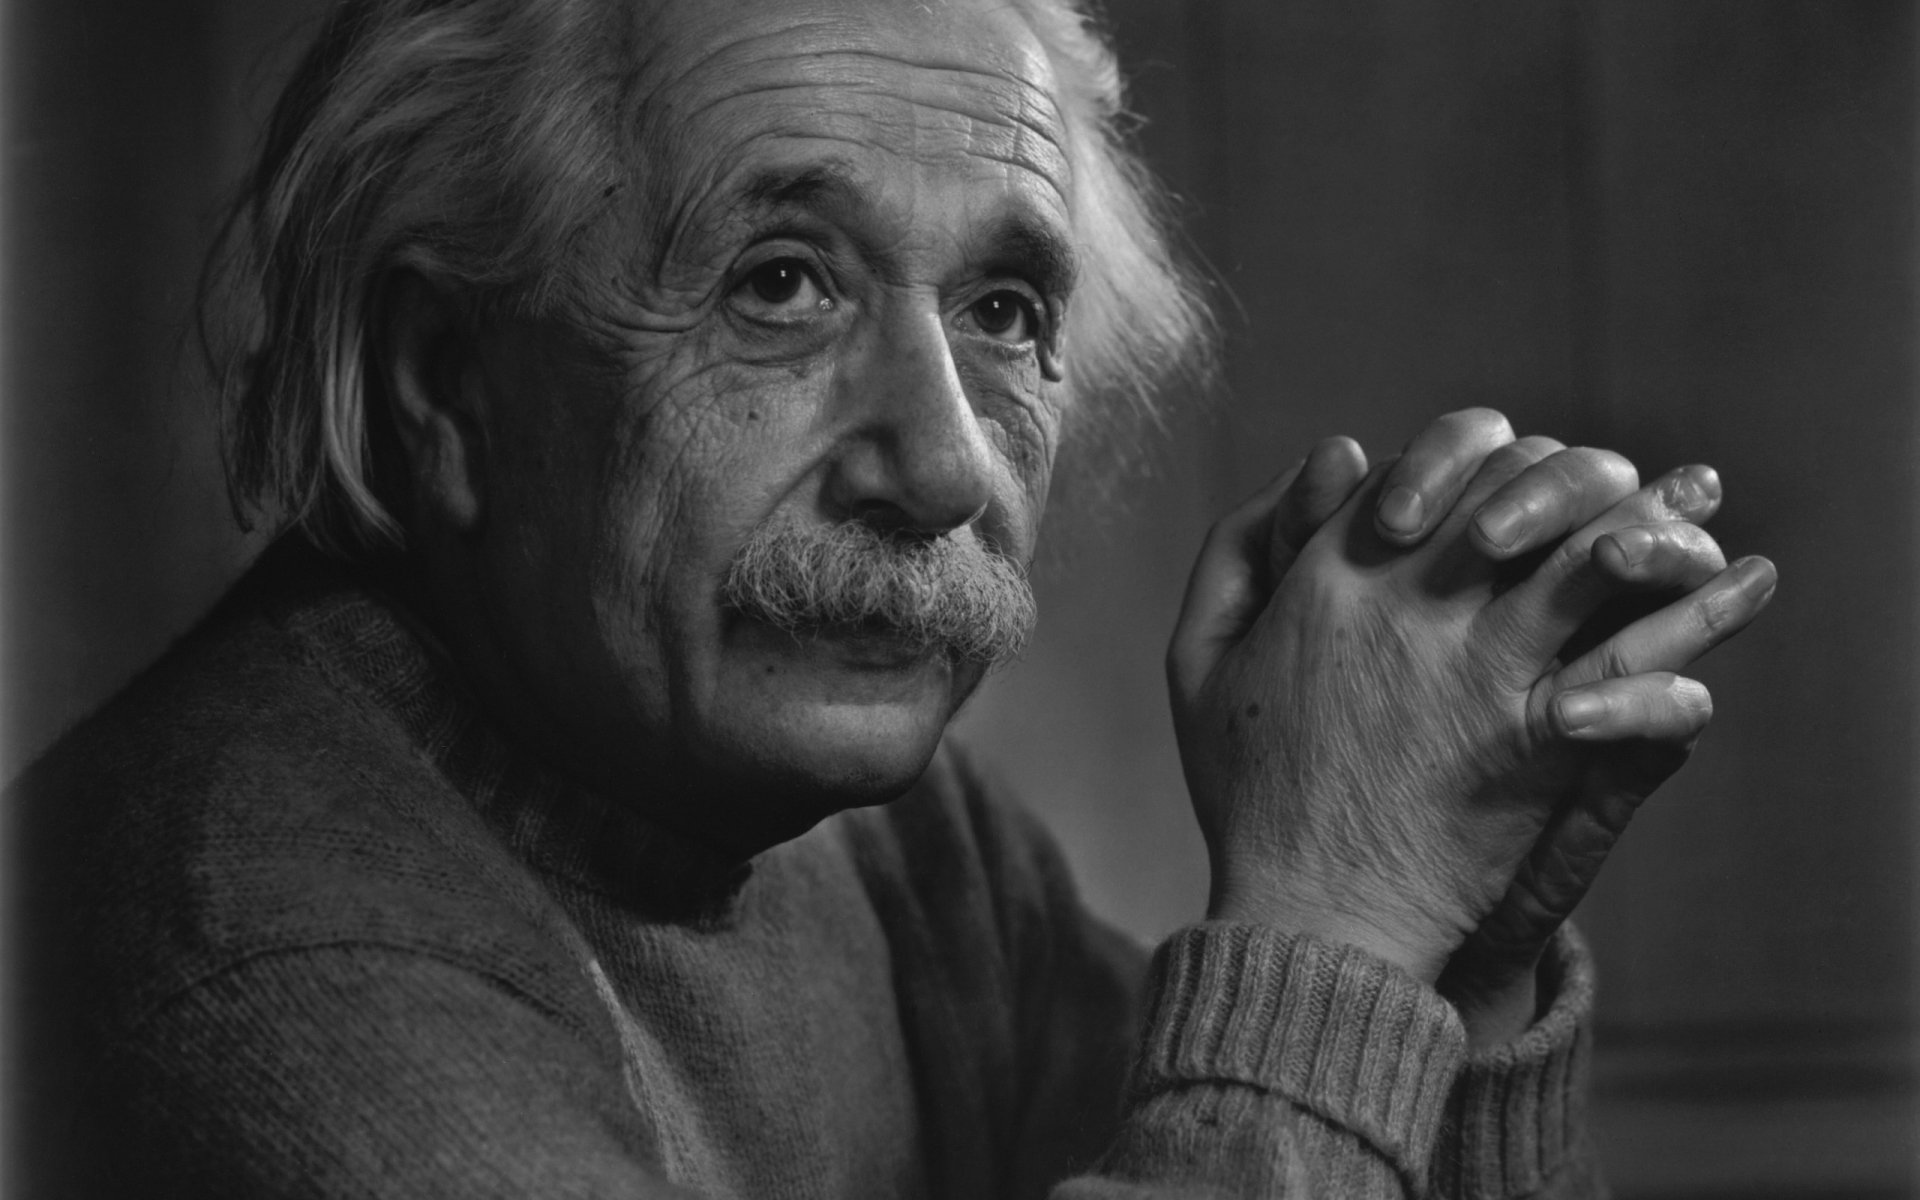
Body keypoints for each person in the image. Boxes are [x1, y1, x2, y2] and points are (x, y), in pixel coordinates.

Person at [12, 0, 1777, 1195]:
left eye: (1004, 312)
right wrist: (1333, 927)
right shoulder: (266, 958)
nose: (942, 468)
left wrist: (1454, 964)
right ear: (445, 386)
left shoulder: (899, 850)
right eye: (779, 283)